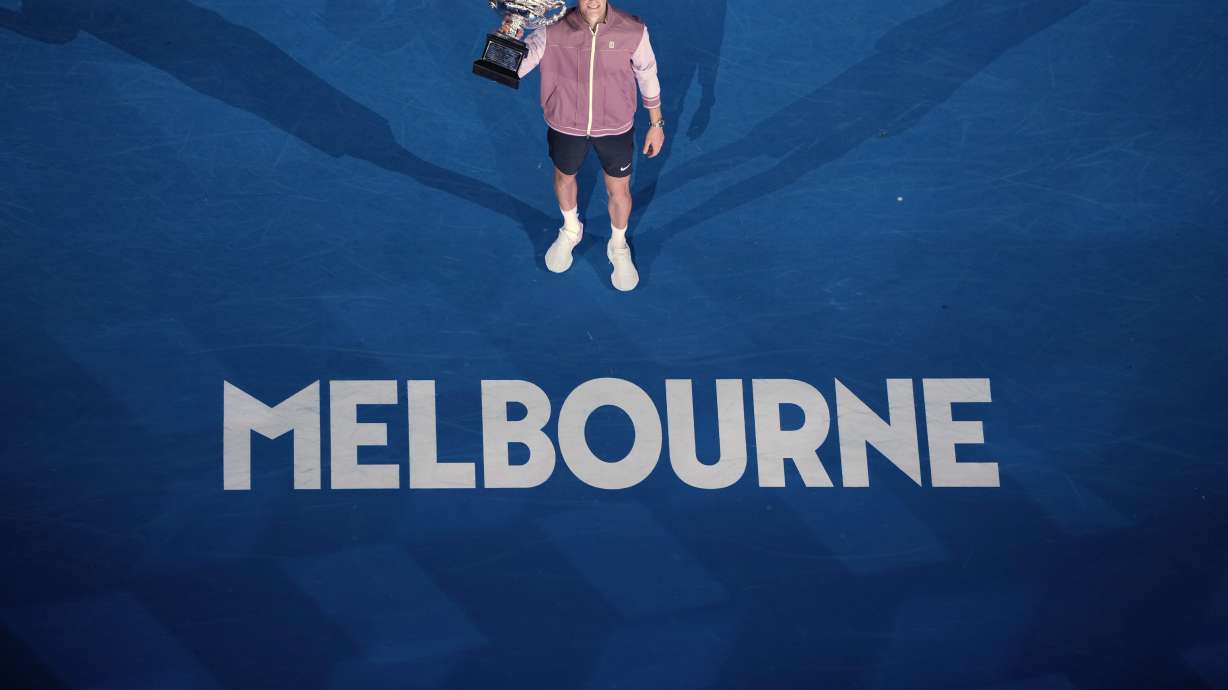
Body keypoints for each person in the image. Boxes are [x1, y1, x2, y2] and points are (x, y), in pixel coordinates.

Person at [512, 0, 664, 292]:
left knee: (619, 190)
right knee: (563, 177)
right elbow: (516, 68)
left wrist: (656, 125)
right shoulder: (551, 30)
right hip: (565, 125)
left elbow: (647, 73)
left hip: (616, 127)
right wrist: (510, 33)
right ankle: (571, 229)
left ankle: (617, 245)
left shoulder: (633, 30)